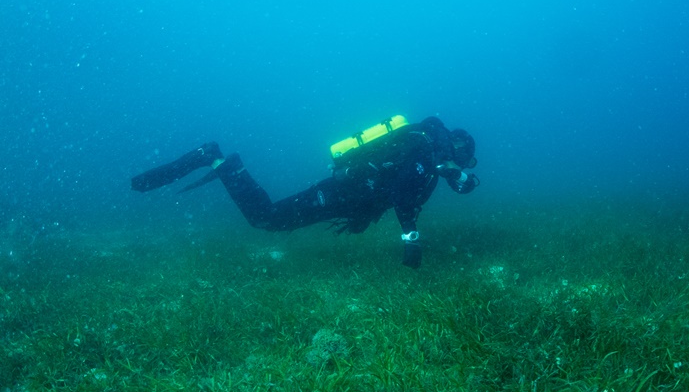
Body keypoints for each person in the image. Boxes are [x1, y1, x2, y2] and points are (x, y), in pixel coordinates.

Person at [130, 116, 479, 268]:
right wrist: (411, 239)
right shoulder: (424, 153)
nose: (460, 165)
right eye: (463, 158)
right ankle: (218, 160)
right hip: (341, 193)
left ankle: (221, 163)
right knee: (266, 218)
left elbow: (400, 191)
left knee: (270, 219)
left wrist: (457, 177)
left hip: (348, 197)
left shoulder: (427, 156)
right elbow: (402, 195)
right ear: (457, 145)